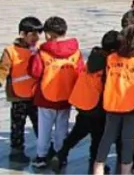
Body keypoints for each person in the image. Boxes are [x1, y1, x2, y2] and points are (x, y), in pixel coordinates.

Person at [92, 26, 134, 175]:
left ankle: (98, 169)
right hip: (132, 105)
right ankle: (126, 172)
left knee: (107, 137)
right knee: (128, 140)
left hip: (112, 103)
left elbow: (106, 79)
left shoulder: (111, 58)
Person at [59, 30, 120, 170]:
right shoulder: (107, 64)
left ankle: (61, 153)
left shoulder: (94, 57)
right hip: (96, 107)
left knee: (78, 132)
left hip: (82, 102)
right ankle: (96, 165)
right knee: (97, 138)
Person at [28, 17, 83, 169]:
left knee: (44, 128)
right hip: (66, 97)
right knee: (62, 127)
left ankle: (41, 156)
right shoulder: (76, 52)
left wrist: (34, 53)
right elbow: (79, 73)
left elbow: (35, 72)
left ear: (48, 35)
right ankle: (61, 155)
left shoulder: (43, 52)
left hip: (46, 97)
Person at [0, 17, 43, 163]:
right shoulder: (10, 51)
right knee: (17, 125)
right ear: (22, 34)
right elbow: (3, 69)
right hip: (18, 97)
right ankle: (16, 152)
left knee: (40, 124)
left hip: (36, 95)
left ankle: (44, 150)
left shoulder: (39, 50)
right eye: (32, 34)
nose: (36, 38)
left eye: (38, 34)